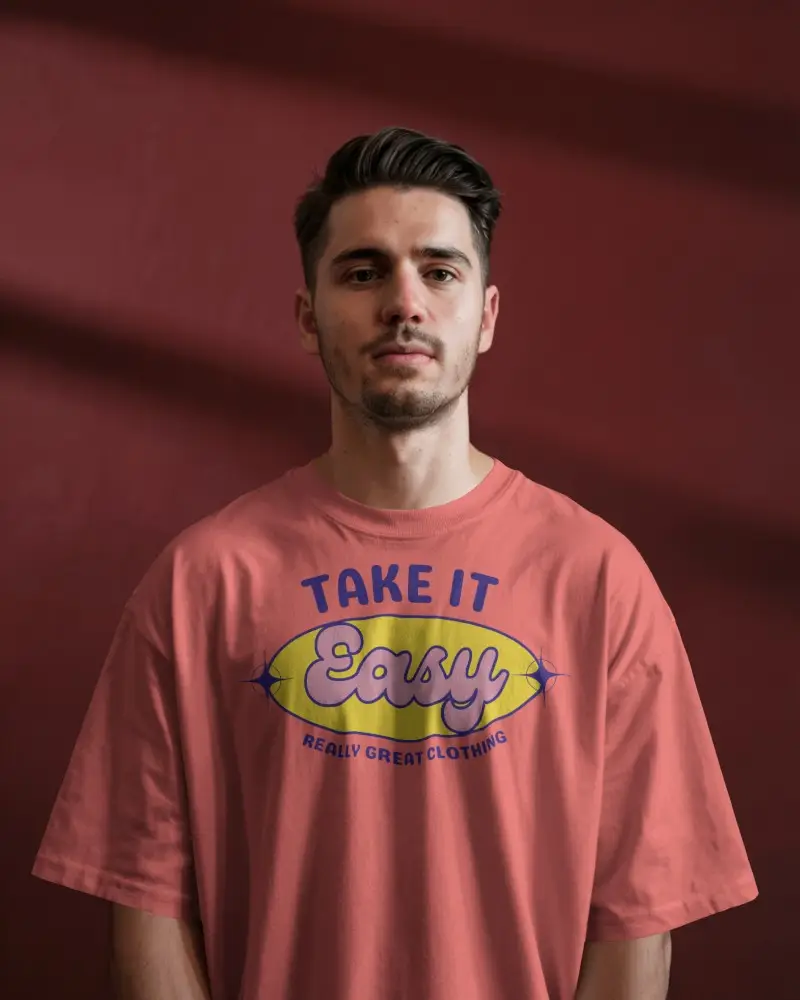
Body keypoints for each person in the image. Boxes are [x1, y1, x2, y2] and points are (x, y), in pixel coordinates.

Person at [33, 126, 757, 1000]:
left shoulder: (597, 579)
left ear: (485, 316)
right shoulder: (202, 585)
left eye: (440, 271)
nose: (403, 303)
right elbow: (148, 915)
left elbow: (638, 922)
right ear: (308, 316)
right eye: (364, 271)